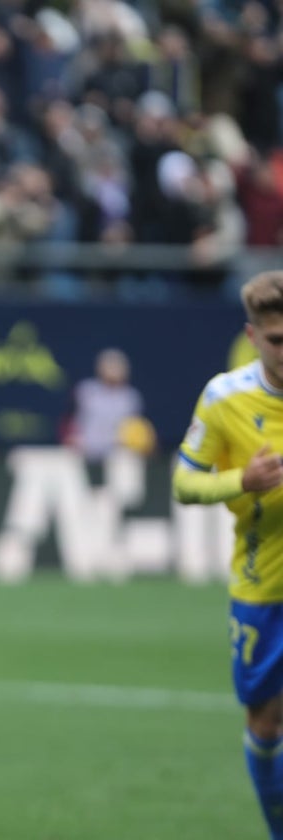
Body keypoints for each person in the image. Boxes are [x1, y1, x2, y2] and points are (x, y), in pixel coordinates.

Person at [173, 270, 283, 840]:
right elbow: (185, 485)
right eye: (276, 340)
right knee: (265, 723)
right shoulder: (226, 397)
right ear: (253, 335)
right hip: (263, 587)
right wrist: (244, 479)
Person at [62, 347, 155, 463]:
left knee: (127, 459)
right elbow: (68, 418)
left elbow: (136, 428)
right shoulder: (85, 389)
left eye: (117, 366)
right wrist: (71, 436)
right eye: (110, 366)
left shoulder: (131, 397)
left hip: (117, 450)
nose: (113, 370)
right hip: (84, 447)